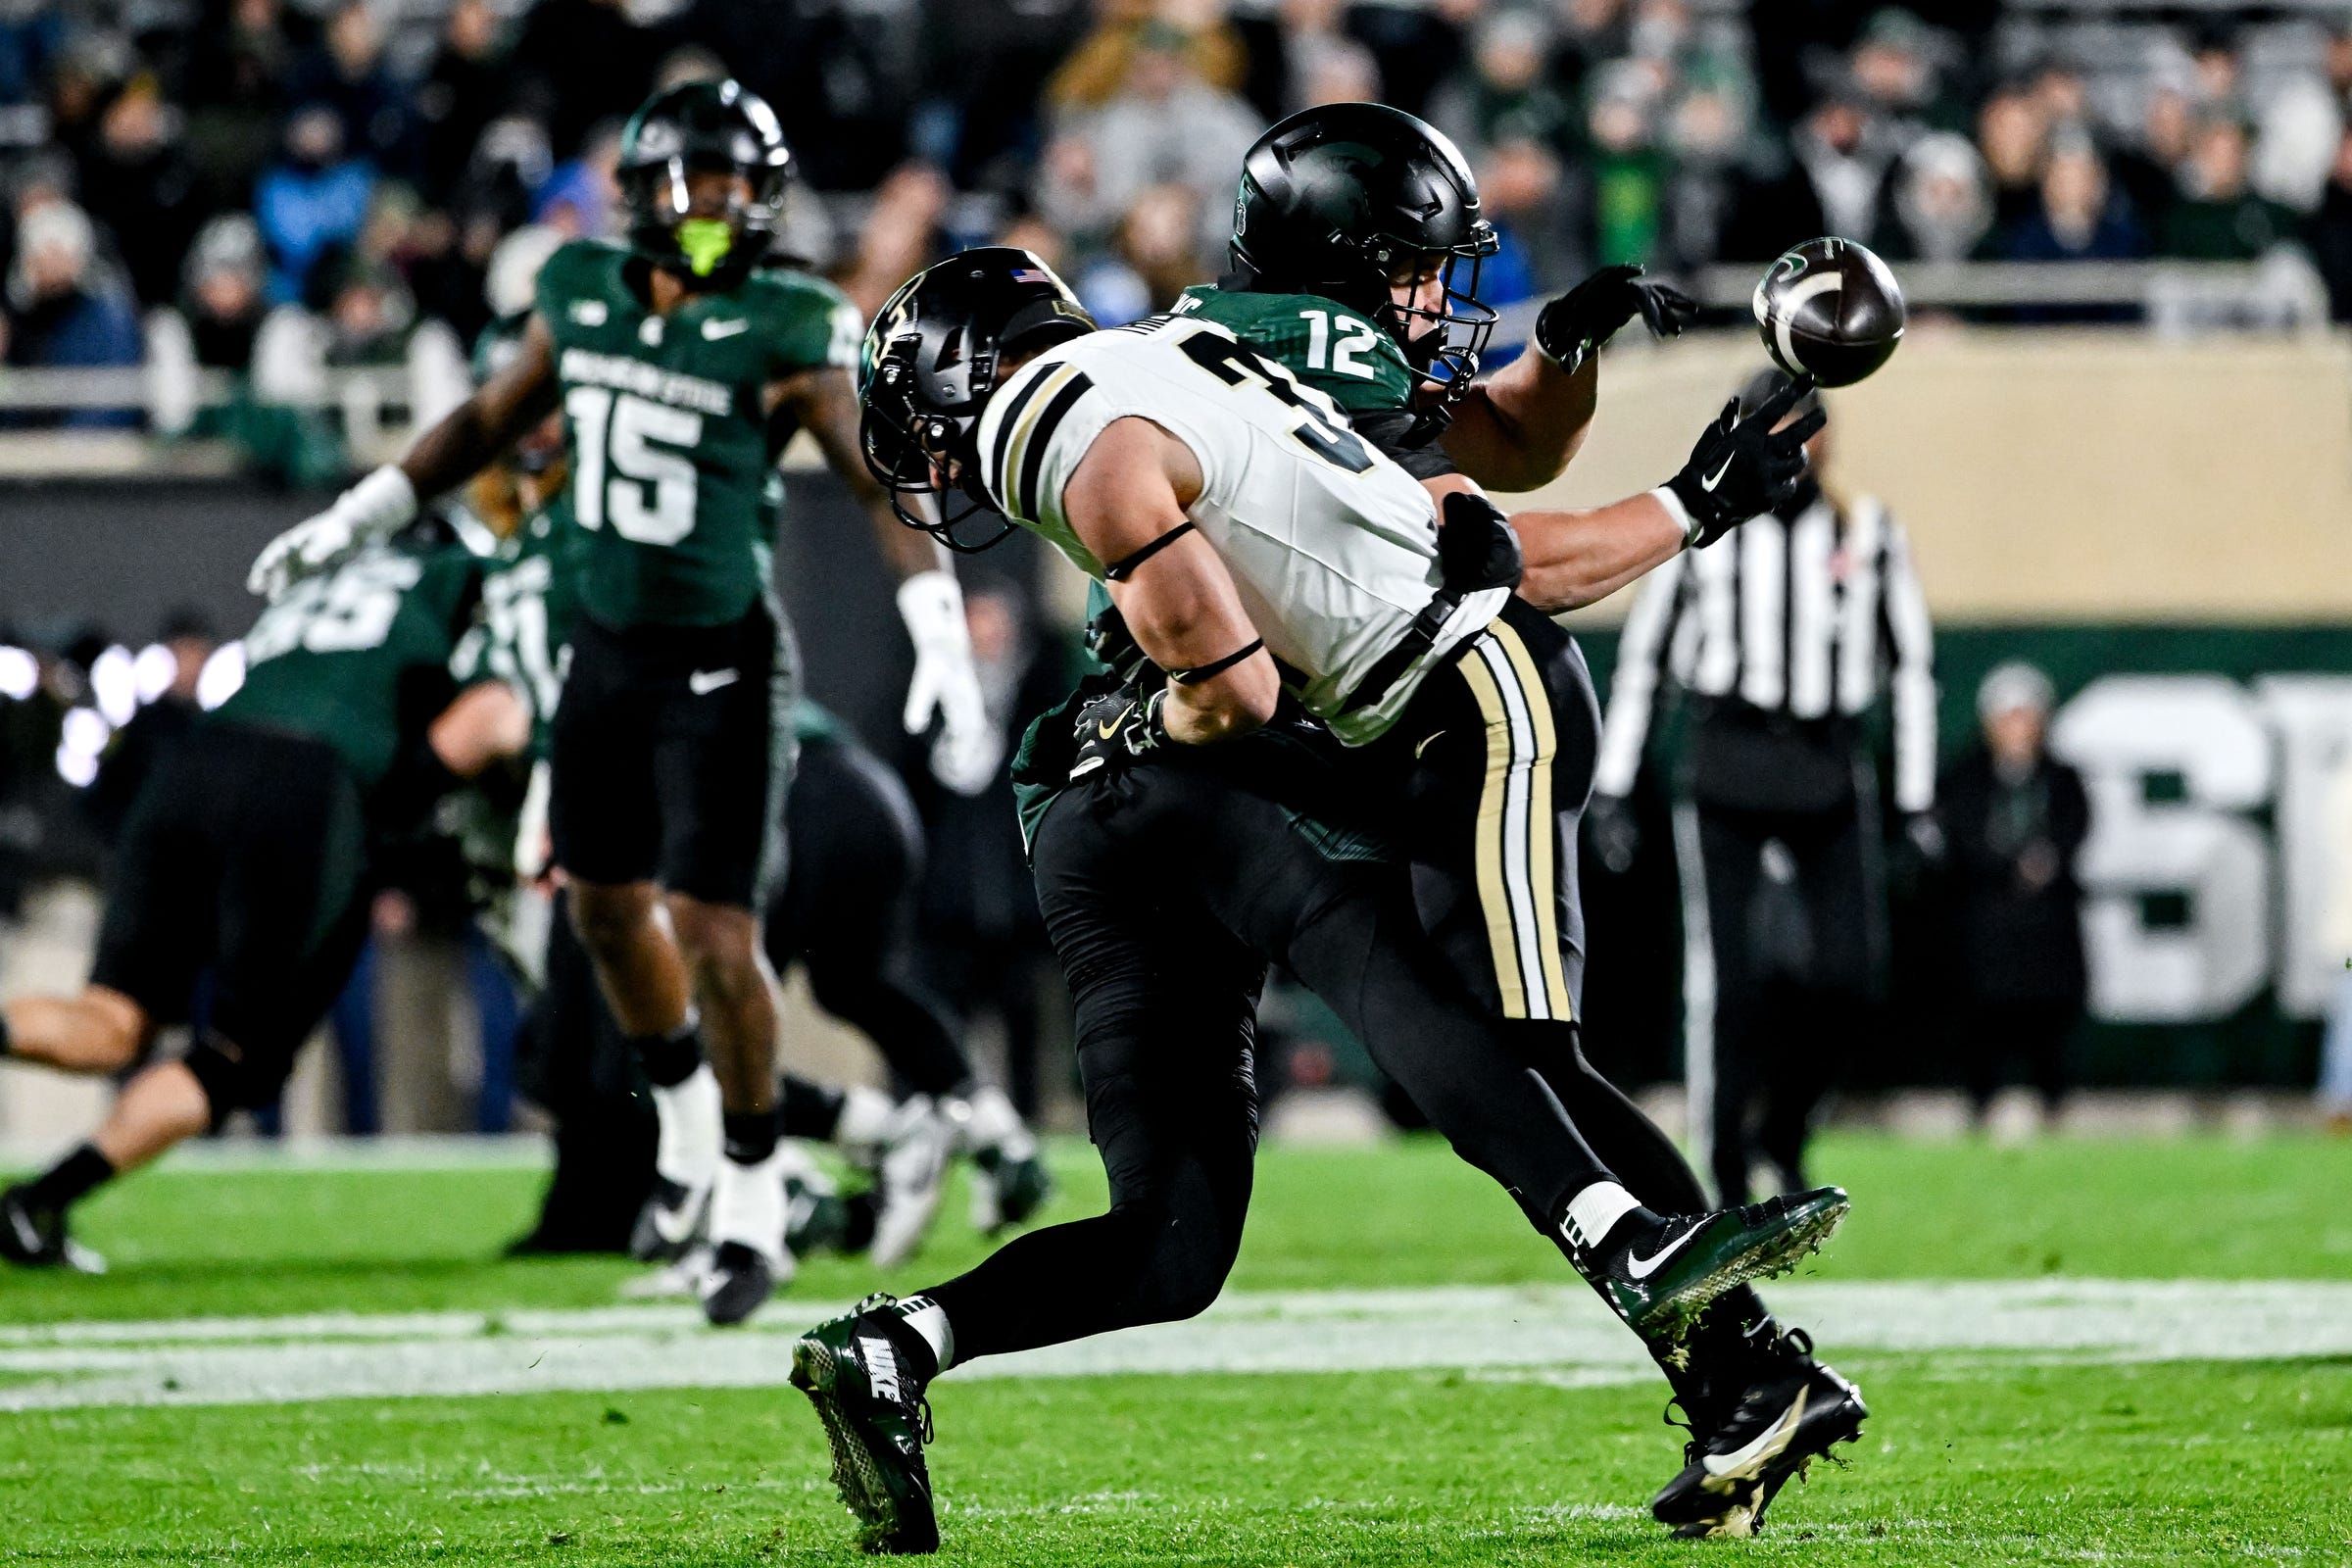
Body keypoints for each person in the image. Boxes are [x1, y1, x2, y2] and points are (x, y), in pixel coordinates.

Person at [789, 246, 1861, 1554]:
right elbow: (1253, 662)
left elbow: (1462, 522)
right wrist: (1183, 710)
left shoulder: (1108, 391)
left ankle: (901, 1343)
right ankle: (1636, 1247)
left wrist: (1667, 493)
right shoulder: (1145, 377)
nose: (936, 459)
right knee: (1409, 986)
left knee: (1172, 1241)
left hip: (1088, 817)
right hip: (1188, 773)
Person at [241, 80, 997, 1327]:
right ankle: (689, 1118)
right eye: (694, 182)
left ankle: (749, 1193)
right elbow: (489, 420)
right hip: (606, 653)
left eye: (737, 185)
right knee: (601, 911)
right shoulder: (582, 291)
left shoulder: (786, 317)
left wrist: (942, 642)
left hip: (723, 662)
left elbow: (877, 485)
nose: (714, 207)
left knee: (715, 934)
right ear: (642, 192)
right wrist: (360, 514)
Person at [0, 534, 526, 1272]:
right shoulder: (470, 582)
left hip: (195, 763)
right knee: (235, 1062)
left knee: (110, 1024)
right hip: (303, 786)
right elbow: (494, 719)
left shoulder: (327, 576)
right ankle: (38, 1203)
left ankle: (39, 1208)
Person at [1590, 370, 1936, 1207]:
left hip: (1828, 762)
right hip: (1729, 759)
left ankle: (1784, 1127)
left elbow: (1911, 668)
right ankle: (1724, 1164)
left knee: (1850, 976)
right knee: (1729, 982)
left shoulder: (1866, 529)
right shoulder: (1705, 529)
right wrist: (1616, 785)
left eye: (1806, 428)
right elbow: (1647, 659)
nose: (1795, 446)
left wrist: (1915, 799)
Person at [1938, 662, 2089, 1128]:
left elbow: (2074, 829)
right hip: (1988, 924)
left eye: (2026, 717)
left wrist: (2045, 861)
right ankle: (1982, 1101)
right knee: (1984, 1018)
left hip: (2047, 925)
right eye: (2009, 718)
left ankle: (2052, 1102)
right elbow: (1961, 837)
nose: (2018, 728)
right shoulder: (1966, 777)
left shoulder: (2062, 778)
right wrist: (2008, 866)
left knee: (2048, 1020)